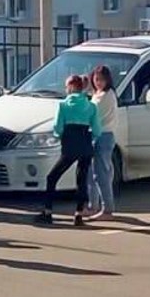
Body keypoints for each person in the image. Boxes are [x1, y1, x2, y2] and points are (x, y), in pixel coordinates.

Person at [35, 75, 102, 227]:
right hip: (85, 143)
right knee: (82, 178)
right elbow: (97, 129)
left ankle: (48, 211)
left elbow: (58, 127)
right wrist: (91, 136)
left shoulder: (63, 105)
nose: (66, 89)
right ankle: (78, 214)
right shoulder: (91, 106)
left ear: (71, 86)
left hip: (70, 144)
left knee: (52, 177)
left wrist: (59, 135)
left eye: (67, 86)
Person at [87, 65, 119, 221]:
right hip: (95, 135)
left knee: (101, 174)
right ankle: (93, 205)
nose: (99, 82)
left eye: (102, 79)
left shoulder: (108, 95)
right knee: (91, 174)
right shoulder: (97, 94)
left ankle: (107, 209)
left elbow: (94, 114)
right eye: (96, 79)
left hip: (104, 136)